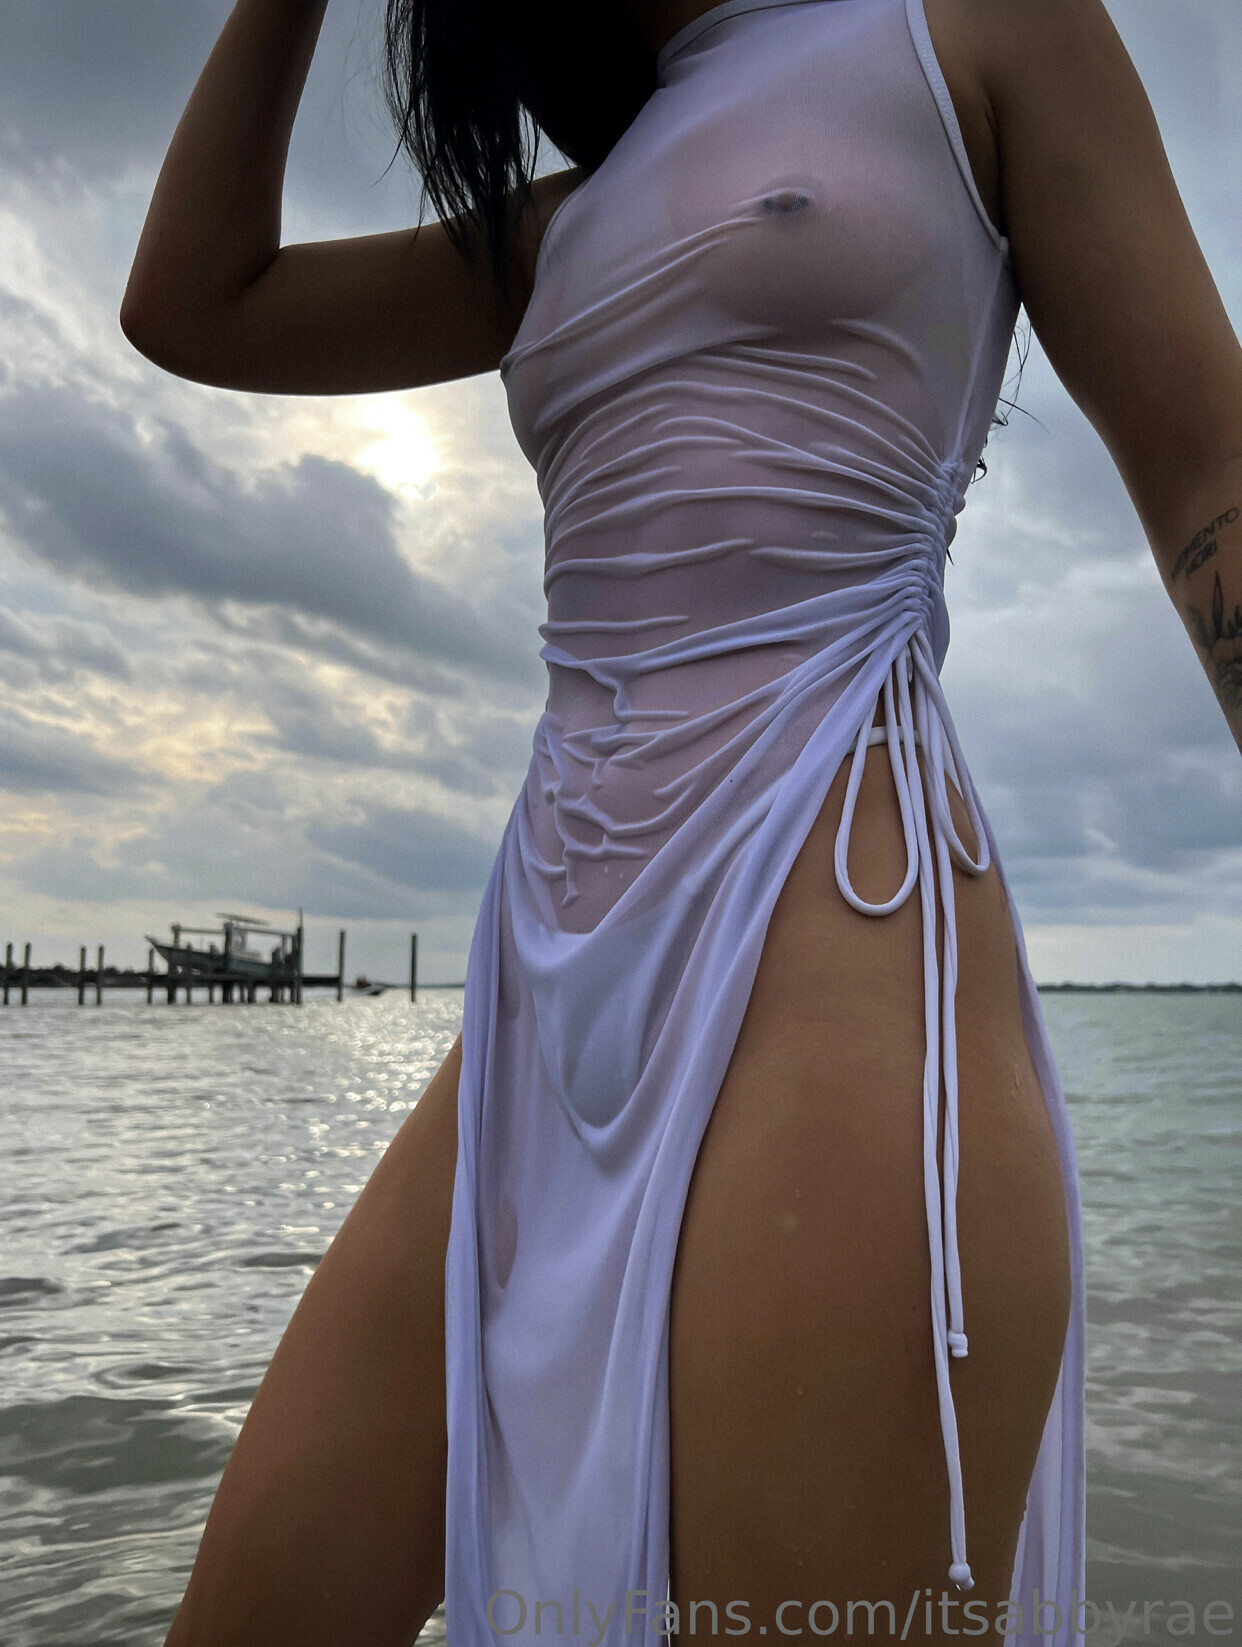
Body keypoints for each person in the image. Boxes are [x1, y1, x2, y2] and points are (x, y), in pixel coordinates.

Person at [121, 0, 1242, 1643]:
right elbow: (193, 305)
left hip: (827, 941)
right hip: (538, 993)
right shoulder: (561, 221)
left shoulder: (966, 31)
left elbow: (1210, 467)